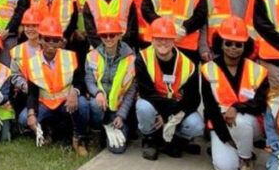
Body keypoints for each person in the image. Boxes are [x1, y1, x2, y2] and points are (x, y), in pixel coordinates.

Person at [201, 17, 269, 170]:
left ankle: (246, 161)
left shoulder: (258, 71)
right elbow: (210, 108)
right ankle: (230, 148)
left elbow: (260, 104)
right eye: (228, 43)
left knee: (240, 121)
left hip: (250, 123)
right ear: (221, 43)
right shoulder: (208, 70)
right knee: (227, 168)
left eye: (238, 44)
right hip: (221, 125)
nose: (233, 48)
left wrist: (237, 108)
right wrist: (226, 139)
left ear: (245, 46)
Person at [135, 17, 204, 160]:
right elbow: (145, 92)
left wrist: (172, 116)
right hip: (155, 106)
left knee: (197, 125)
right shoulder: (142, 58)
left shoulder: (189, 65)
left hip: (175, 110)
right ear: (152, 40)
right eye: (159, 38)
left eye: (167, 38)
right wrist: (164, 113)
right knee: (143, 107)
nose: (163, 42)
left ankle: (174, 139)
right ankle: (150, 139)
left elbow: (194, 99)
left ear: (174, 40)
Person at [19, 18, 90, 155]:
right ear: (40, 40)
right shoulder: (32, 63)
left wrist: (75, 92)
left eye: (55, 40)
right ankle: (46, 130)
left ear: (61, 42)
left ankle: (78, 138)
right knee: (23, 119)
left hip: (66, 102)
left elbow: (80, 81)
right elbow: (32, 93)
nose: (51, 43)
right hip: (45, 104)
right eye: (47, 39)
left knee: (82, 105)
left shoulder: (71, 57)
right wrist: (31, 114)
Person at [84, 16, 137, 154]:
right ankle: (96, 134)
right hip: (100, 105)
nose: (108, 38)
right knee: (94, 104)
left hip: (118, 110)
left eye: (112, 35)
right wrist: (98, 93)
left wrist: (121, 115)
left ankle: (122, 128)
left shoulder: (131, 59)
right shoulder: (92, 55)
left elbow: (131, 92)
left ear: (119, 35)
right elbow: (89, 80)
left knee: (117, 148)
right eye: (104, 35)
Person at [8, 8, 42, 118]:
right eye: (27, 26)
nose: (30, 29)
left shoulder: (48, 47)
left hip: (49, 93)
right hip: (27, 93)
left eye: (34, 26)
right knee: (23, 119)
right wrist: (27, 87)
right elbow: (15, 76)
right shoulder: (17, 50)